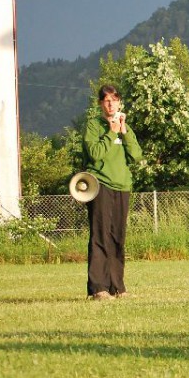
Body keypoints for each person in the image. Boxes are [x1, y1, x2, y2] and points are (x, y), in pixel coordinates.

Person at [82, 85, 143, 300]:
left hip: (122, 186)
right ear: (100, 104)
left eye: (114, 100)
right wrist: (111, 132)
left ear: (120, 103)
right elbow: (95, 154)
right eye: (106, 100)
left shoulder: (124, 127)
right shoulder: (94, 126)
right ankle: (98, 288)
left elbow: (136, 156)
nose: (110, 104)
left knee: (118, 238)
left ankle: (118, 287)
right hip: (100, 186)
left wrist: (124, 132)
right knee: (100, 236)